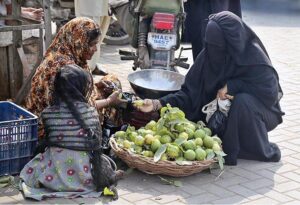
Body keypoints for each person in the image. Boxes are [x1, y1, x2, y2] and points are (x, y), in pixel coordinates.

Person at [137, 11, 284, 166]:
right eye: (209, 45)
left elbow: (270, 94)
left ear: (231, 43)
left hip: (262, 113)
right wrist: (156, 103)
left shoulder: (254, 58)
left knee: (243, 101)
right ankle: (231, 140)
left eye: (218, 47)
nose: (213, 51)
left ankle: (250, 148)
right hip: (225, 113)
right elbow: (188, 94)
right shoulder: (208, 56)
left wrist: (234, 86)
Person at [20, 66, 124, 200]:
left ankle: (55, 182)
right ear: (82, 89)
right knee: (107, 162)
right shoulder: (91, 112)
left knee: (40, 160)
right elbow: (96, 148)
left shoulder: (48, 114)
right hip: (84, 174)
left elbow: (50, 140)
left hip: (53, 172)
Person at [25, 17, 125, 138]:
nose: (95, 49)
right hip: (52, 127)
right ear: (78, 41)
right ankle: (106, 135)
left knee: (112, 80)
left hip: (67, 110)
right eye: (92, 44)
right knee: (113, 100)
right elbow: (74, 110)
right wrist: (109, 101)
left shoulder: (66, 53)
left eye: (96, 44)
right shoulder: (63, 68)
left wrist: (95, 86)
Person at [74, 0, 111, 70]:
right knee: (88, 33)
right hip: (89, 5)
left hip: (105, 4)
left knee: (99, 36)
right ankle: (86, 66)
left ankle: (93, 64)